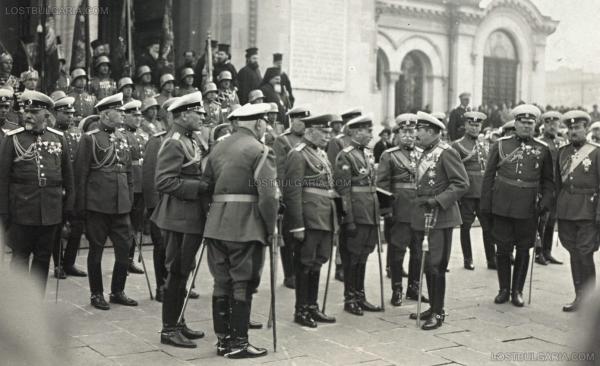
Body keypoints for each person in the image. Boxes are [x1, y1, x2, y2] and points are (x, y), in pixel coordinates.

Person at [203, 103, 278, 358]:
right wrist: (271, 229)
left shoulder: (218, 147)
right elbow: (268, 196)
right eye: (265, 122)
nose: (265, 126)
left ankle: (223, 340)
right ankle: (239, 343)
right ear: (258, 124)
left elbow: (206, 186)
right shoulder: (260, 150)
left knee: (221, 281)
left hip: (216, 224)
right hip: (246, 226)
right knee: (243, 283)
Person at [0, 90, 74, 294]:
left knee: (42, 259)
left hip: (50, 212)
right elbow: (3, 179)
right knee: (20, 260)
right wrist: (4, 212)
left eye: (33, 112)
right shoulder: (13, 139)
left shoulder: (58, 138)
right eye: (26, 111)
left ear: (46, 115)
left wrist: (68, 208)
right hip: (22, 211)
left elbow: (69, 178)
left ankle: (36, 306)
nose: (28, 116)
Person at [481, 104, 554, 308]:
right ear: (516, 124)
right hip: (502, 205)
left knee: (524, 249)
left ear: (535, 125)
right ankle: (504, 289)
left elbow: (549, 181)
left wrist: (545, 203)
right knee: (503, 249)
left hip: (529, 208)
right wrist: (485, 206)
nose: (526, 126)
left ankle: (517, 291)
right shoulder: (501, 145)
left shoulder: (542, 149)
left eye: (530, 123)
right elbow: (488, 178)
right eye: (523, 122)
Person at [151, 92, 209, 348]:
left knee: (184, 272)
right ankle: (169, 329)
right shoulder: (174, 141)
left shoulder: (190, 138)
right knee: (176, 272)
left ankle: (178, 320)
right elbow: (163, 181)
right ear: (184, 114)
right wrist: (199, 187)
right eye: (198, 113)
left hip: (189, 216)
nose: (202, 117)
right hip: (178, 217)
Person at [74, 92, 138, 310]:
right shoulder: (90, 138)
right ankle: (96, 294)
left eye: (121, 110)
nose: (122, 114)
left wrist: (129, 201)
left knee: (124, 250)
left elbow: (128, 173)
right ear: (104, 115)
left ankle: (117, 290)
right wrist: (80, 208)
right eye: (117, 111)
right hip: (97, 205)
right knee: (96, 251)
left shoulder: (123, 138)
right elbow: (80, 175)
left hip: (121, 206)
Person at [408, 111, 469, 330]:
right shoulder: (425, 153)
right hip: (422, 214)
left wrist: (438, 200)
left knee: (436, 265)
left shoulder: (446, 152)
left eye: (420, 130)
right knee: (426, 263)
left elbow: (461, 183)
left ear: (432, 132)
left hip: (440, 215)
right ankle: (433, 306)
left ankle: (438, 311)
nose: (417, 134)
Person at [283, 113, 338, 327]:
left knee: (318, 261)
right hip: (308, 218)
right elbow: (292, 192)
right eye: (323, 131)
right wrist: (296, 224)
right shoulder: (297, 155)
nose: (327, 135)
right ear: (309, 131)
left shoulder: (321, 154)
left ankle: (313, 306)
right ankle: (301, 310)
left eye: (329, 132)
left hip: (324, 216)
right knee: (304, 263)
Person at [377, 113, 428, 306]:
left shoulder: (424, 154)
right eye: (403, 131)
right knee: (398, 251)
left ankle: (414, 288)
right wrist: (386, 211)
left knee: (418, 251)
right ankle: (397, 288)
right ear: (397, 134)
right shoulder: (389, 155)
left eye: (412, 131)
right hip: (399, 211)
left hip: (420, 210)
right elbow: (381, 186)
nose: (408, 135)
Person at [333, 115, 383, 315]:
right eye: (367, 131)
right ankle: (350, 297)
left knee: (363, 255)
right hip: (356, 213)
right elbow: (343, 190)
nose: (371, 134)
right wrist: (349, 218)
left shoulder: (368, 154)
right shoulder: (345, 156)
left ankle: (360, 295)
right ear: (355, 132)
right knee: (352, 257)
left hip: (370, 212)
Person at [555, 110, 599, 312]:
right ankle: (579, 296)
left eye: (577, 127)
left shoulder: (596, 152)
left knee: (585, 253)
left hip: (588, 209)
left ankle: (590, 301)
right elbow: (558, 184)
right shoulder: (562, 152)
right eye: (570, 128)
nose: (573, 131)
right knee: (574, 252)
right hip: (567, 210)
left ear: (586, 129)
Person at [142, 96, 178, 302]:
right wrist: (154, 208)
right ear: (168, 116)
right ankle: (162, 286)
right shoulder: (157, 141)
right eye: (175, 114)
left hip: (181, 207)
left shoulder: (191, 141)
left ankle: (177, 283)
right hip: (162, 206)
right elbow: (149, 178)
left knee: (180, 247)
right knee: (162, 247)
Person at [451, 111, 495, 270]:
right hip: (468, 192)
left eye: (477, 125)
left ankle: (491, 259)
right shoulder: (457, 145)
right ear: (465, 125)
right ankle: (467, 258)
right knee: (466, 226)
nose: (475, 128)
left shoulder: (486, 144)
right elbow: (454, 168)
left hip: (483, 191)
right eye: (471, 124)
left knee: (488, 227)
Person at [50, 95, 87, 278]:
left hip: (76, 185)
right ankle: (58, 264)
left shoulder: (78, 133)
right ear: (56, 113)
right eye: (65, 113)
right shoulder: (51, 133)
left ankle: (69, 262)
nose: (70, 117)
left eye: (71, 114)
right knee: (58, 226)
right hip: (59, 185)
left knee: (78, 225)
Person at [274, 106, 310, 289]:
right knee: (288, 238)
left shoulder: (308, 140)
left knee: (303, 236)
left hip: (308, 195)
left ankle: (300, 270)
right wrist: (282, 194)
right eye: (300, 121)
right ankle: (289, 274)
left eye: (306, 122)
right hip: (290, 194)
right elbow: (279, 170)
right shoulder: (283, 141)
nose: (304, 125)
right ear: (292, 121)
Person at [327, 107, 361, 282]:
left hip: (358, 195)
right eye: (352, 123)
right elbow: (334, 167)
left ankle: (351, 264)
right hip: (342, 191)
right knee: (342, 230)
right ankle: (340, 265)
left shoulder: (360, 144)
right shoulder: (338, 142)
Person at [121, 100, 148, 274]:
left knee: (136, 224)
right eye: (134, 115)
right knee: (126, 225)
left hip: (142, 183)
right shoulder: (121, 135)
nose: (138, 118)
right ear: (125, 117)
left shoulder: (143, 135)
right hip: (128, 184)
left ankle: (130, 259)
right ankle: (122, 260)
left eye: (139, 115)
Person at [535, 110, 563, 265]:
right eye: (548, 123)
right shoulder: (539, 143)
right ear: (543, 125)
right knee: (542, 220)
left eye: (555, 123)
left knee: (552, 219)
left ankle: (547, 251)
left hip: (557, 187)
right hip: (544, 186)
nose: (552, 127)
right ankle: (539, 253)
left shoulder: (561, 142)